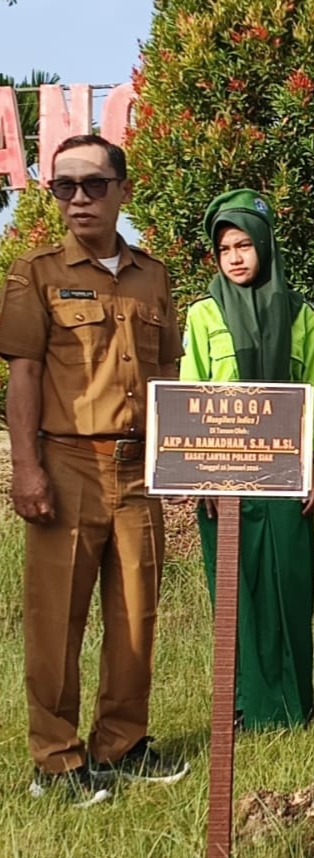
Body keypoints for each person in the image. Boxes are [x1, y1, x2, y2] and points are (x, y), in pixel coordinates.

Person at [0, 134, 189, 806]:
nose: (77, 198)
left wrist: (182, 461)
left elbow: (169, 374)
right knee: (57, 619)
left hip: (139, 467)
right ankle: (54, 761)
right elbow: (23, 374)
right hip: (67, 459)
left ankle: (122, 744)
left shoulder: (153, 275)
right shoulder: (36, 273)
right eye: (63, 186)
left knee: (137, 614)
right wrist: (27, 469)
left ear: (122, 191)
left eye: (92, 184)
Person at [179, 188, 314, 730]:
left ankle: (293, 703)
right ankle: (244, 704)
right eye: (225, 249)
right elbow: (191, 390)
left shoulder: (299, 314)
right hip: (224, 477)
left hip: (286, 475)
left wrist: (313, 464)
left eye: (245, 244)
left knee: (290, 583)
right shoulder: (203, 315)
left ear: (265, 245)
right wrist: (200, 476)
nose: (237, 257)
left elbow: (312, 389)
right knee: (235, 587)